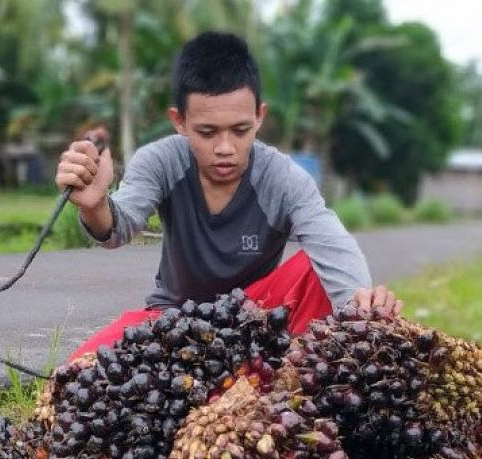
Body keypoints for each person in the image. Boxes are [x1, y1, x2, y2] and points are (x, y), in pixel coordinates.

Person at [56, 31, 402, 360]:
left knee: (317, 269)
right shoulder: (159, 160)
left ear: (259, 116)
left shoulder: (282, 176)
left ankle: (271, 372)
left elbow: (331, 241)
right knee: (78, 370)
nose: (225, 148)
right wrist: (95, 205)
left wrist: (362, 311)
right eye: (207, 132)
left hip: (256, 321)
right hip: (173, 322)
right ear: (179, 121)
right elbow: (119, 226)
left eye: (240, 130)